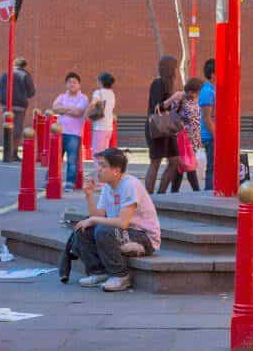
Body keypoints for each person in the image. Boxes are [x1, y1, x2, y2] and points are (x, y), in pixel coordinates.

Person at [73, 148, 161, 292]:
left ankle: (120, 276)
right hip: (123, 232)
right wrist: (89, 195)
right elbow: (98, 215)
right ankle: (98, 272)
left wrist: (94, 219)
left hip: (143, 237)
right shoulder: (108, 187)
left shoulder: (130, 184)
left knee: (103, 230)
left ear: (116, 170)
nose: (98, 170)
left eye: (103, 166)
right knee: (83, 229)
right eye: (98, 165)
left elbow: (122, 222)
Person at [145, 55, 180, 194]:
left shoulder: (169, 84)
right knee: (156, 161)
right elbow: (156, 107)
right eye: (174, 67)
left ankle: (161, 194)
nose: (176, 70)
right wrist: (173, 98)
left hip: (167, 128)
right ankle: (148, 197)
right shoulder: (158, 83)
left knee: (175, 161)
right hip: (156, 128)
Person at [165, 78, 204, 192]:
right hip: (182, 140)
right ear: (192, 91)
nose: (198, 94)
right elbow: (173, 119)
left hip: (192, 140)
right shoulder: (180, 101)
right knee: (187, 165)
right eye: (197, 92)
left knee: (183, 166)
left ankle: (174, 191)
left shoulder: (195, 101)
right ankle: (196, 191)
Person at [52, 72, 88, 192]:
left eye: (74, 82)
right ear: (66, 84)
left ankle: (70, 182)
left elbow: (78, 112)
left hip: (74, 133)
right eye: (69, 82)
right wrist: (70, 109)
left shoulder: (83, 98)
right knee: (56, 158)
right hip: (59, 132)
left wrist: (64, 110)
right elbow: (55, 108)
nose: (71, 84)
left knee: (72, 159)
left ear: (79, 85)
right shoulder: (62, 96)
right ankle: (50, 179)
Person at [0, 57, 36, 162]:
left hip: (6, 105)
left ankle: (7, 152)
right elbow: (31, 92)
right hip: (19, 106)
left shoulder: (5, 74)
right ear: (24, 66)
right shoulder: (25, 75)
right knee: (17, 129)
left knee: (7, 128)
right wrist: (23, 95)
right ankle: (13, 153)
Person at [87, 72, 117, 156]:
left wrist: (86, 114)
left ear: (100, 82)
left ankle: (99, 169)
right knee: (104, 154)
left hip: (99, 127)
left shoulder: (98, 92)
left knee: (97, 154)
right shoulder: (112, 93)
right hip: (109, 128)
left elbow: (93, 104)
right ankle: (103, 169)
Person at [199, 58, 216, 191]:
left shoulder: (213, 90)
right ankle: (209, 192)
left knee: (215, 166)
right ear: (213, 74)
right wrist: (217, 136)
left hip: (213, 135)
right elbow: (207, 117)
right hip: (211, 136)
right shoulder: (207, 91)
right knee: (212, 167)